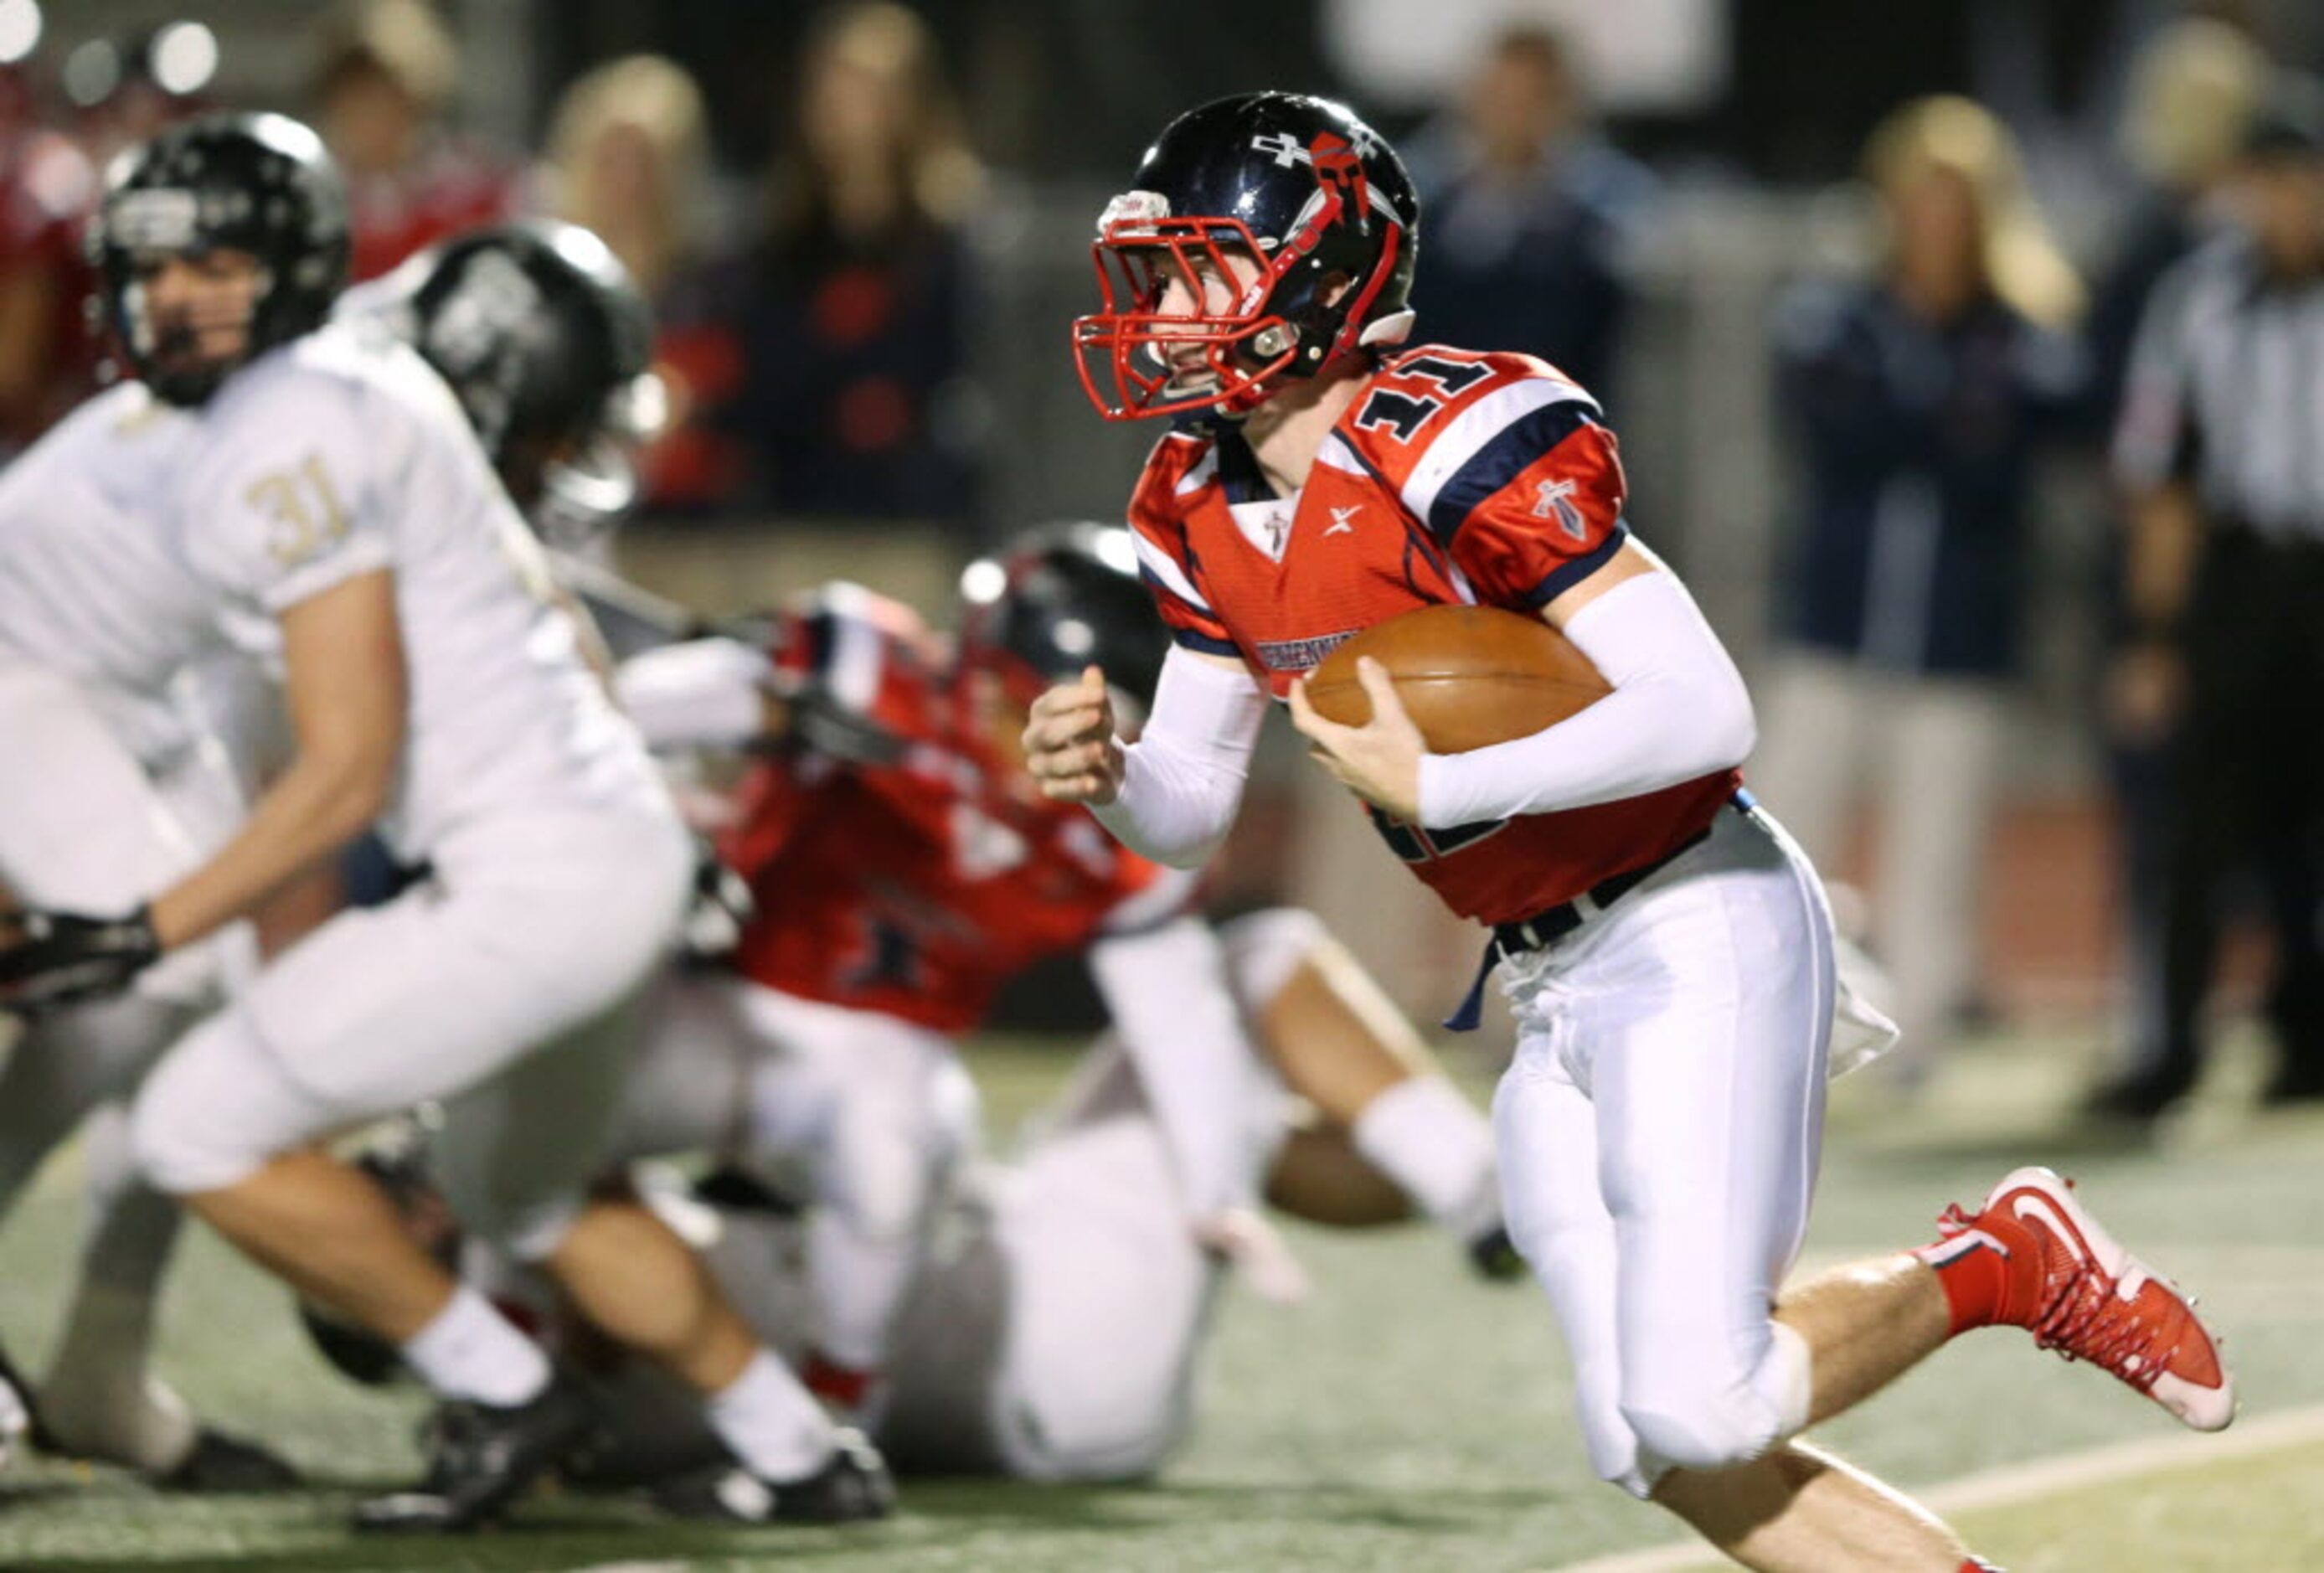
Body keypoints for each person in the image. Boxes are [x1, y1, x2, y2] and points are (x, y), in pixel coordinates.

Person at [1031, 90, 2232, 1571]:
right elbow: (1194, 809)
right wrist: (1111, 775)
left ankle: (2009, 1254)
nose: (1159, 306)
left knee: (1703, 1393)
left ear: (1319, 268)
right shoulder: (1194, 497)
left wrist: (1447, 783)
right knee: (1658, 1442)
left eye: (1196, 264)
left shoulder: (1455, 431)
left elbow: (1704, 708)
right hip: (1548, 979)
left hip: (1691, 917)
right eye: (1151, 271)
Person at [0, 115, 886, 1531]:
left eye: (212, 265)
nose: (168, 300)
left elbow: (340, 768)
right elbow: (531, 649)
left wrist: (145, 920)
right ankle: (795, 1447)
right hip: (604, 852)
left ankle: (497, 1384)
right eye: (150, 270)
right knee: (520, 1193)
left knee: (190, 1099)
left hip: (519, 879)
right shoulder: (346, 395)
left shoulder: (286, 422)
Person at [602, 528, 1512, 1426]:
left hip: (867, 1165)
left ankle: (831, 1413)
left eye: (1106, 728)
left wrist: (1218, 1191)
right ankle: (1497, 1193)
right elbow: (607, 723)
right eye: (1028, 708)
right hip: (747, 1078)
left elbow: (1181, 1027)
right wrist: (717, 746)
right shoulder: (862, 674)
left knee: (893, 1133)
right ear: (978, 671)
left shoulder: (1109, 832)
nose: (1045, 755)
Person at [314, 905, 1502, 1496]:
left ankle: (1496, 1192)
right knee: (1248, 972)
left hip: (1036, 1376)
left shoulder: (536, 1425)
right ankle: (1498, 1193)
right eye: (397, 1204)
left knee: (1226, 1131)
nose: (417, 1174)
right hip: (1033, 1317)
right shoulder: (544, 1260)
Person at [1747, 96, 2086, 1080]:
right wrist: (1950, 423)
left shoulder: (2020, 328)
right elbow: (1841, 437)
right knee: (1783, 832)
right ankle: (1771, 1017)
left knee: (1939, 850)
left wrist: (1936, 425)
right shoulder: (1839, 314)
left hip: (1959, 629)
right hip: (1836, 621)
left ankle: (1916, 1036)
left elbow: (2019, 446)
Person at [2096, 75, 2324, 1120]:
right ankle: (2172, 1046)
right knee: (2199, 820)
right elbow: (2164, 476)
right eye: (2274, 182)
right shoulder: (2199, 296)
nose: (2293, 205)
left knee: (2306, 826)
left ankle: (2305, 1038)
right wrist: (2155, 631)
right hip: (2240, 573)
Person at [1404, 22, 1652, 404]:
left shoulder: (1610, 209)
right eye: (1501, 99)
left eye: (1532, 101)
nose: (1514, 118)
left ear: (1563, 106)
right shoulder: (1420, 199)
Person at [307, 0, 520, 281]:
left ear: (419, 100)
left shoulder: (481, 196)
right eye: (356, 99)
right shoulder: (310, 203)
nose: (373, 117)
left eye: (388, 98)